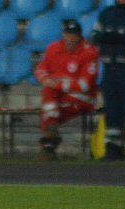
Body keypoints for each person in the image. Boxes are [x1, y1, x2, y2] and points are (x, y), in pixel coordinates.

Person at [35, 20, 99, 161]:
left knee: (49, 108)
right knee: (49, 95)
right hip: (60, 96)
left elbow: (84, 85)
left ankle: (49, 144)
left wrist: (57, 84)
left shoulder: (89, 52)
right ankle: (50, 140)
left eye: (73, 35)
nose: (70, 38)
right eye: (67, 34)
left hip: (82, 98)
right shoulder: (53, 48)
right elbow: (40, 69)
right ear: (63, 35)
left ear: (80, 36)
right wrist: (46, 80)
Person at [90, 0, 125, 161]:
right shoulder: (107, 13)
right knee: (112, 109)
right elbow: (93, 35)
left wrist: (110, 37)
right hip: (109, 68)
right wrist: (116, 37)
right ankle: (112, 148)